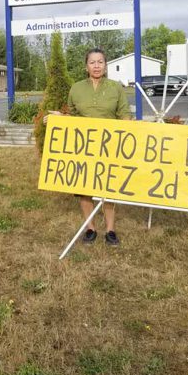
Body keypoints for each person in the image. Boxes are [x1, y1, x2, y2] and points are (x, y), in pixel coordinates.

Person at [47, 47, 131, 245]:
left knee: (108, 189)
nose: (96, 66)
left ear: (105, 65)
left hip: (109, 145)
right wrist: (59, 118)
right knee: (84, 188)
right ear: (86, 66)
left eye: (100, 62)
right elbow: (72, 116)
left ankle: (110, 230)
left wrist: (127, 128)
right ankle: (90, 228)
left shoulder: (116, 87)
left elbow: (124, 114)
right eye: (92, 62)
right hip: (83, 147)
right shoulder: (76, 88)